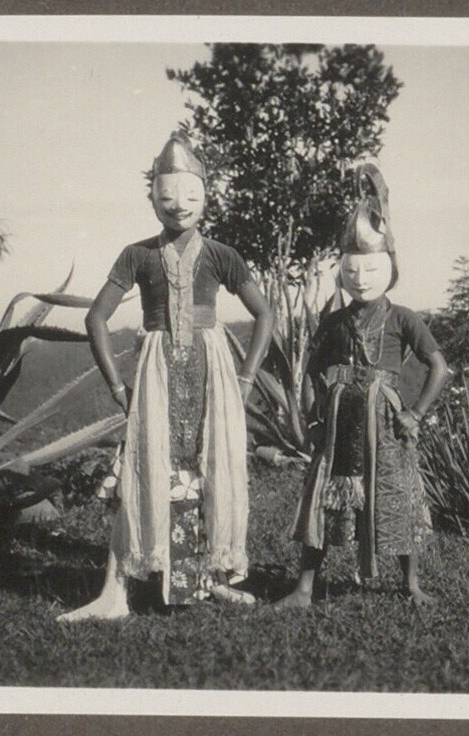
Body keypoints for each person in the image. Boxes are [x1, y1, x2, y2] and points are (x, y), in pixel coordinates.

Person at [58, 131, 274, 621]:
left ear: (206, 196)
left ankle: (211, 578)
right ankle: (115, 593)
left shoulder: (222, 255)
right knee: (144, 465)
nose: (179, 205)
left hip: (212, 371)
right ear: (152, 197)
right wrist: (118, 387)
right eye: (167, 195)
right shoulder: (136, 255)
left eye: (191, 195)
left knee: (211, 464)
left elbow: (265, 314)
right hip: (156, 374)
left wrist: (244, 380)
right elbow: (95, 318)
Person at [276, 164, 448, 608]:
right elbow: (312, 370)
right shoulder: (334, 321)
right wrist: (314, 418)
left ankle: (410, 584)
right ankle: (304, 588)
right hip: (338, 426)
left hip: (387, 426)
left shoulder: (403, 318)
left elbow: (438, 366)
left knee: (398, 498)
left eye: (371, 268)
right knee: (323, 500)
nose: (361, 277)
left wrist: (415, 413)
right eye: (352, 270)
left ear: (389, 267)